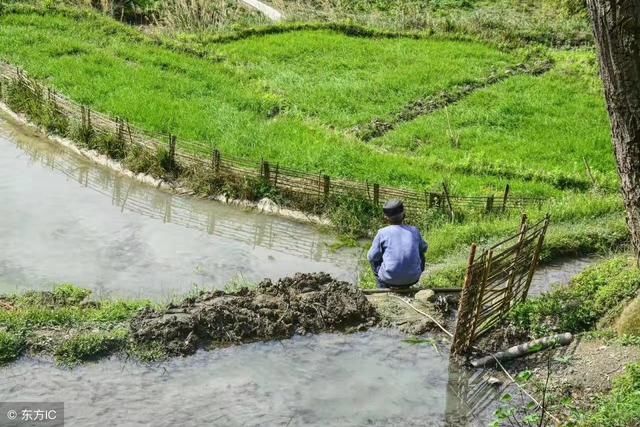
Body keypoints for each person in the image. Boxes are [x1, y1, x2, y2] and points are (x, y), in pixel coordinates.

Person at [367, 200, 428, 289]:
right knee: (421, 252)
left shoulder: (382, 233)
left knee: (375, 259)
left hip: (389, 279)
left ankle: (382, 288)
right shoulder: (414, 231)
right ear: (403, 213)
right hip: (413, 278)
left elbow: (371, 257)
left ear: (386, 218)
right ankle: (407, 281)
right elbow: (424, 248)